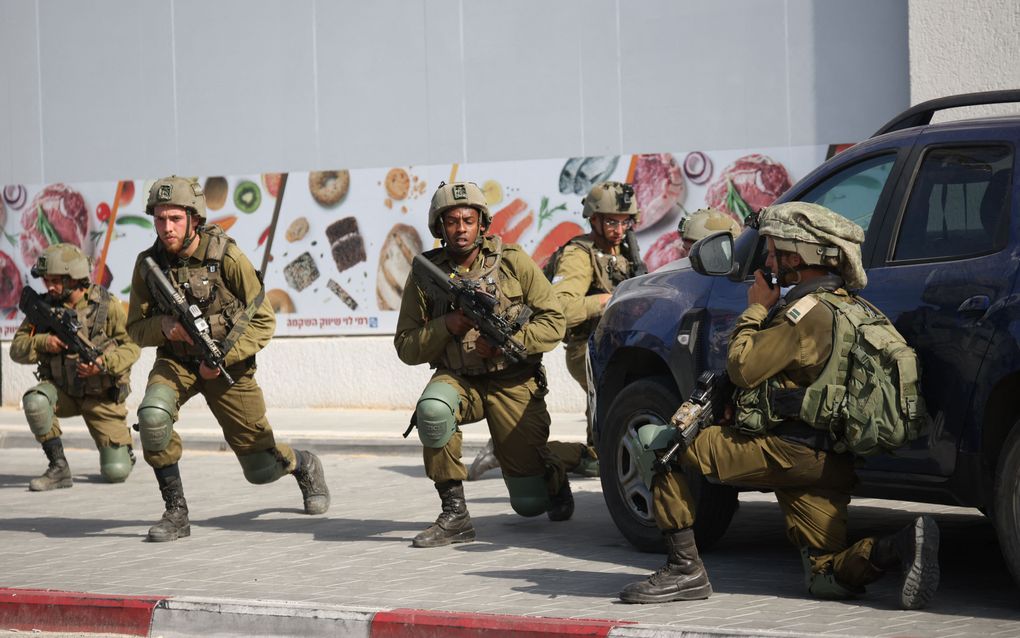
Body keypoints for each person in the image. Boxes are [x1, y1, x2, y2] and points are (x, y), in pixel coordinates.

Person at [619, 202, 940, 609]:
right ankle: (897, 547)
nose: (767, 261)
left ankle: (685, 570)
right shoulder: (852, 307)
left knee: (660, 445)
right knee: (825, 577)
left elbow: (742, 366)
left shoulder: (807, 313)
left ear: (797, 257)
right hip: (828, 460)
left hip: (787, 451)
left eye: (773, 252)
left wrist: (756, 305)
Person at [126, 176, 329, 542]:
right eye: (159, 219)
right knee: (152, 418)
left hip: (226, 366)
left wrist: (222, 355)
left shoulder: (227, 256)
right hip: (175, 362)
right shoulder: (148, 265)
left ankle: (303, 464)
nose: (166, 227)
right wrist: (165, 327)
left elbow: (263, 320)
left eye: (174, 218)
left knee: (261, 469)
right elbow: (135, 329)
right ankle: (176, 513)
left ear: (194, 218)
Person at [394, 181, 572, 548]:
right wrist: (447, 325)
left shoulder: (513, 263)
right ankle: (455, 515)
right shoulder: (427, 274)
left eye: (468, 220)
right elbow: (406, 345)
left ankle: (553, 475)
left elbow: (554, 321)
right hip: (459, 378)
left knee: (528, 503)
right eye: (452, 221)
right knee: (432, 411)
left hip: (513, 380)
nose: (461, 229)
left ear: (482, 223)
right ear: (440, 227)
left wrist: (509, 346)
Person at [10, 243, 140, 491]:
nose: (49, 286)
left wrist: (103, 365)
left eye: (56, 281)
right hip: (63, 392)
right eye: (46, 280)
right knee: (35, 401)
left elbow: (132, 346)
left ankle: (123, 449)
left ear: (75, 279)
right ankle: (58, 467)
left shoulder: (106, 305)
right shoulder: (44, 309)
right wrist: (44, 342)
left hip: (101, 398)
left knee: (116, 472)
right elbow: (17, 349)